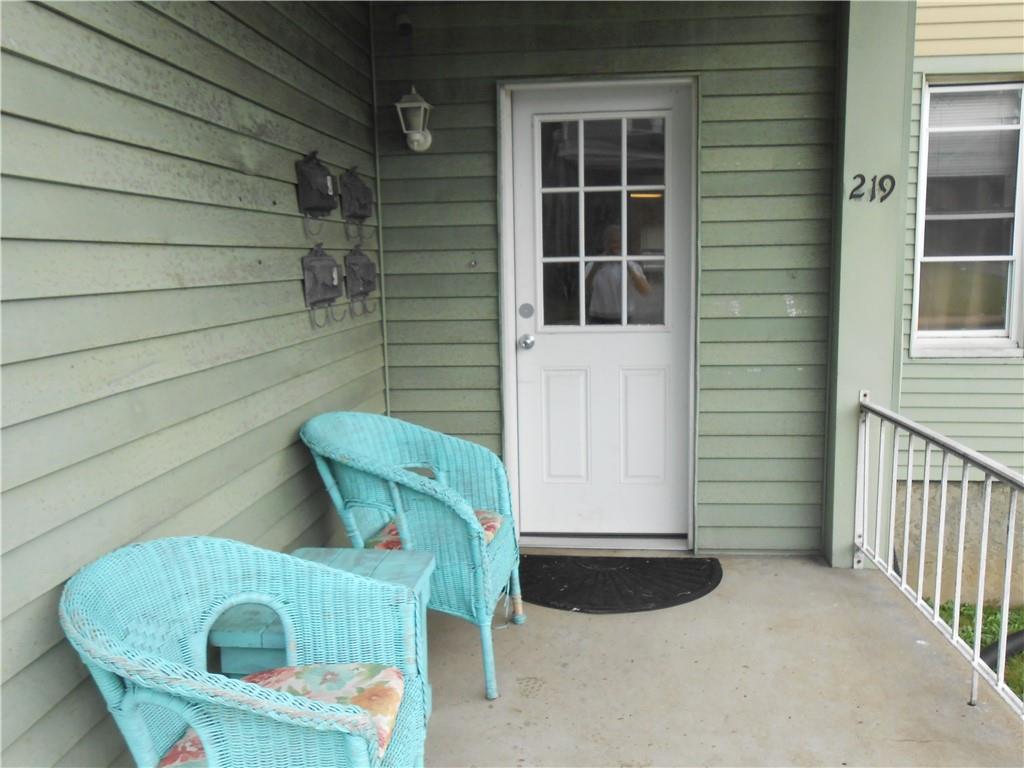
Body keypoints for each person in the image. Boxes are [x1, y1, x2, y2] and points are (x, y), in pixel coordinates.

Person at [585, 225, 650, 324]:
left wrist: (627, 266)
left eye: (618, 242)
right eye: (611, 241)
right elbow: (584, 289)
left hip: (624, 318)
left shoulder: (632, 265)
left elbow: (645, 291)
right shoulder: (592, 264)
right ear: (605, 243)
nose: (614, 245)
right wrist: (595, 267)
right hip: (597, 317)